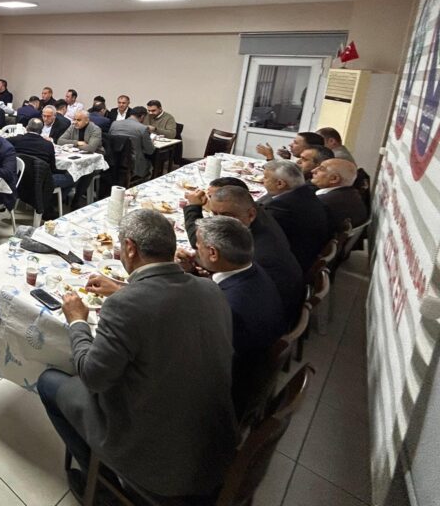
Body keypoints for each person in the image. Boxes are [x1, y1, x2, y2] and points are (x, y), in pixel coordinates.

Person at [38, 209, 236, 501]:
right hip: (215, 447)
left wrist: (78, 321)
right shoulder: (211, 288)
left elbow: (92, 377)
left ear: (130, 248)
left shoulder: (124, 306)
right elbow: (162, 304)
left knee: (49, 382)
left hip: (159, 462)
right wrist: (122, 289)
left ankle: (103, 491)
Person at [186, 216, 287, 414]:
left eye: (198, 247)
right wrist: (194, 272)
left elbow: (196, 352)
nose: (195, 251)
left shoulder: (229, 307)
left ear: (213, 253)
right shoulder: (253, 269)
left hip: (224, 394)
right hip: (252, 366)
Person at [190, 184, 305, 321]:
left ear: (251, 214)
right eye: (214, 214)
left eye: (227, 216)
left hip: (274, 316)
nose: (219, 221)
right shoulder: (256, 224)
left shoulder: (261, 254)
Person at [261, 160, 330, 272]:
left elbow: (262, 235)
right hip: (307, 252)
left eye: (265, 177)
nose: (262, 180)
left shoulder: (281, 206)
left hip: (288, 265)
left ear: (280, 184)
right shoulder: (306, 193)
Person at [312, 158, 369, 236]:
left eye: (321, 169)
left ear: (334, 179)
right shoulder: (350, 193)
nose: (313, 171)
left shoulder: (324, 202)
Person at [110, 106, 155, 180]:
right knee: (151, 163)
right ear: (142, 116)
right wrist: (151, 142)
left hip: (115, 159)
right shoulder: (142, 128)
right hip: (133, 163)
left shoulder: (114, 124)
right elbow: (150, 151)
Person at [255, 130, 325, 161]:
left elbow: (277, 176)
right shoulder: (301, 160)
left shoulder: (309, 165)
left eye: (296, 143)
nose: (290, 145)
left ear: (309, 148)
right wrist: (288, 158)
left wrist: (269, 156)